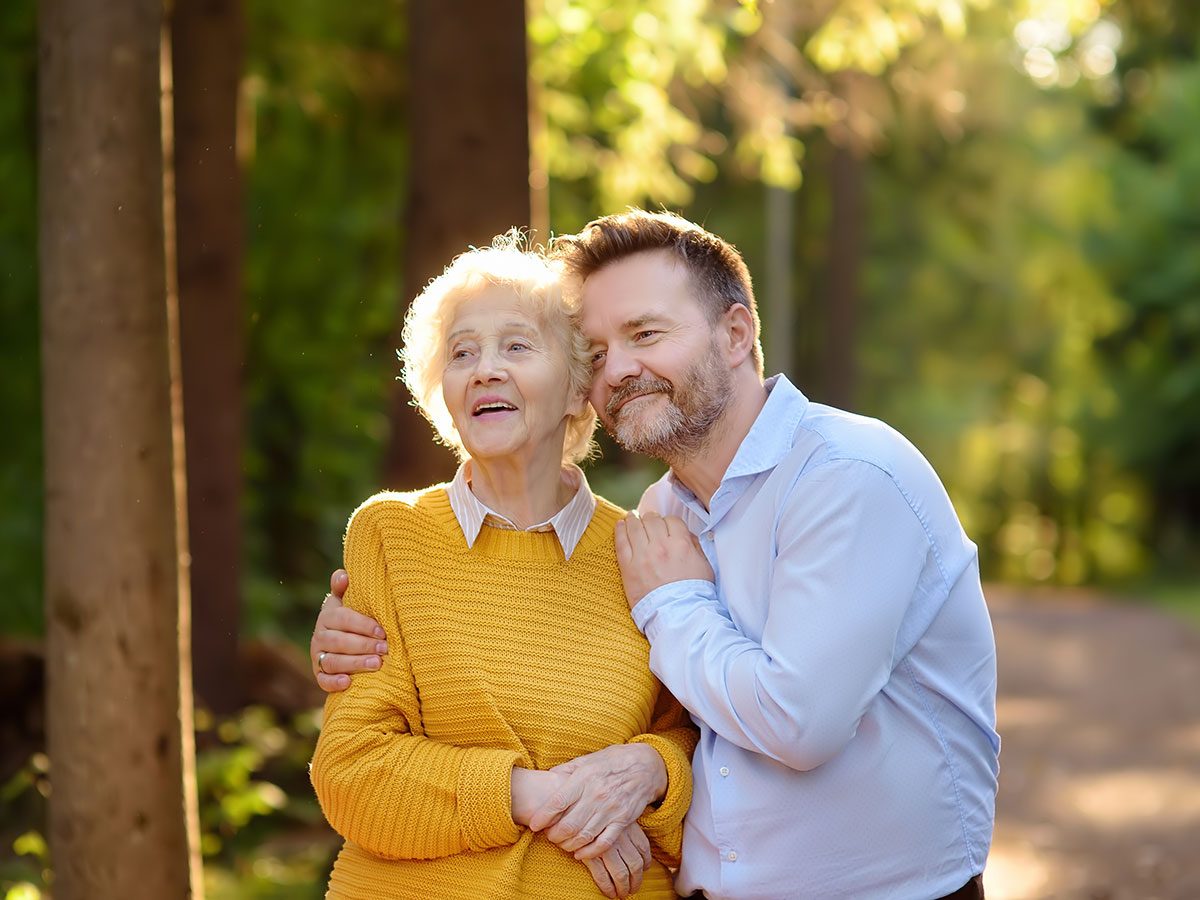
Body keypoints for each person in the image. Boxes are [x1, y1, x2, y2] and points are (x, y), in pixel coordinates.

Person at [314, 211, 1000, 900]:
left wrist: (651, 760)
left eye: (644, 334)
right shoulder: (660, 520)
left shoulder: (845, 475)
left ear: (736, 334)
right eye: (601, 349)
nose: (621, 368)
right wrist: (559, 789)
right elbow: (702, 731)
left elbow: (794, 723)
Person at [308, 234, 697, 900]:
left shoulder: (643, 549)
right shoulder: (390, 537)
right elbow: (352, 772)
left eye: (516, 346)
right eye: (462, 353)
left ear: (580, 388)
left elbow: (702, 747)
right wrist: (535, 796)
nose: (485, 368)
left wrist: (650, 772)